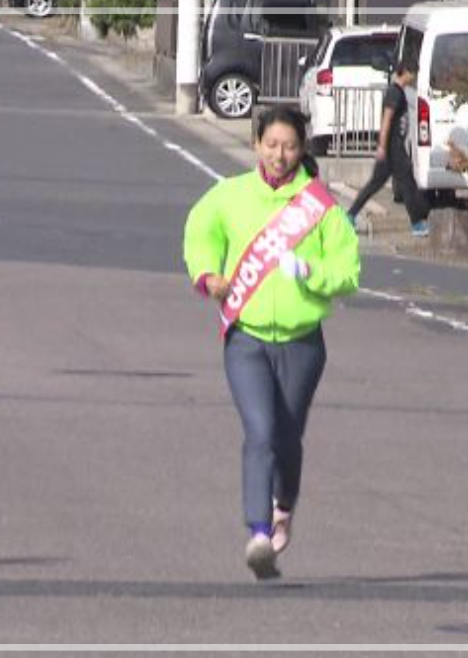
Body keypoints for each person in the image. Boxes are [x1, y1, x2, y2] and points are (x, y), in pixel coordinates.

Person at [183, 106, 360, 580]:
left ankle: (283, 506)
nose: (280, 155)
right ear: (256, 144)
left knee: (287, 436)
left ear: (302, 149)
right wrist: (208, 276)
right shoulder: (231, 196)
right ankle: (259, 532)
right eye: (272, 145)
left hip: (304, 342)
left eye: (290, 146)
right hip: (247, 338)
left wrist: (311, 273)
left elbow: (348, 273)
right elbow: (200, 233)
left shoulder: (320, 206)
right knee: (260, 432)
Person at [348, 62, 430, 237]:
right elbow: (387, 119)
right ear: (405, 72)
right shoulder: (394, 92)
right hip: (392, 148)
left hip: (394, 147)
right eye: (413, 72)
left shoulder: (399, 92)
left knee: (377, 183)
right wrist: (382, 147)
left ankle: (351, 214)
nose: (414, 77)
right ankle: (417, 223)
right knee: (407, 182)